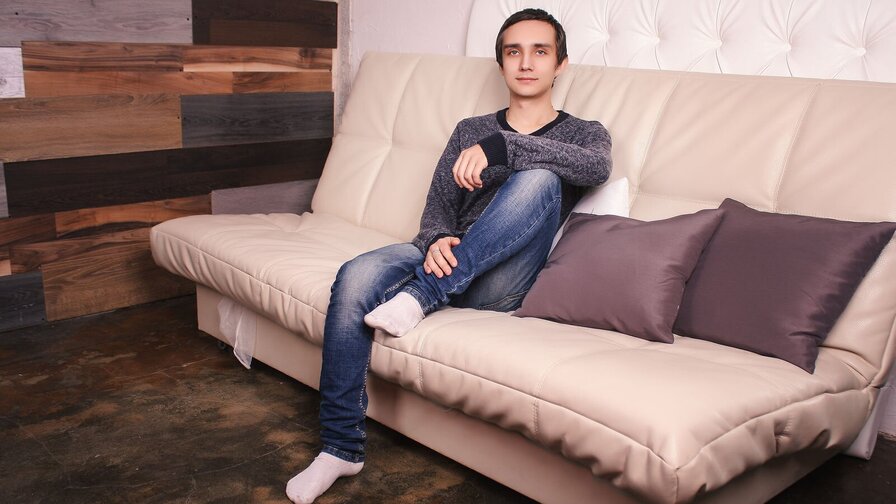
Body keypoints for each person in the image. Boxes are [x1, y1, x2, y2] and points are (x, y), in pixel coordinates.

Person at [286, 8, 612, 503]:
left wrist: (503, 148)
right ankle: (340, 446)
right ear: (501, 64)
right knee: (355, 276)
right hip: (444, 256)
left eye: (540, 52)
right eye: (514, 52)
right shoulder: (469, 129)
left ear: (560, 64)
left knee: (540, 178)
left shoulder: (583, 134)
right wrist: (437, 237)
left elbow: (596, 167)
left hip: (502, 281)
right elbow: (438, 207)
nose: (526, 63)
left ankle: (423, 295)